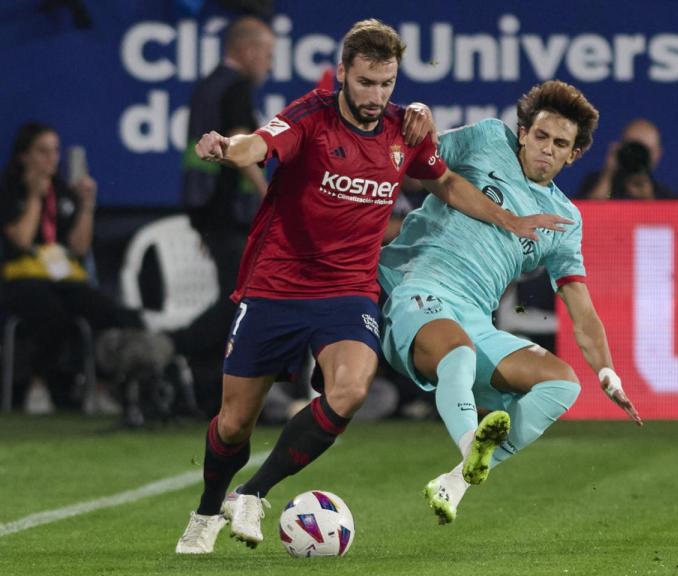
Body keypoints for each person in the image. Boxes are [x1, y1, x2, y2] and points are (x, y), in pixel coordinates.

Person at [175, 19, 568, 554]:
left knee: (351, 388)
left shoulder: (404, 130)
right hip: (277, 284)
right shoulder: (309, 118)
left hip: (349, 291)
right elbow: (259, 144)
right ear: (342, 74)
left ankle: (255, 493)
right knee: (233, 423)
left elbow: (446, 182)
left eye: (386, 84)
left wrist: (509, 220)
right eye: (365, 83)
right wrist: (226, 148)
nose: (375, 95)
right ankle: (204, 512)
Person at [377, 80, 643, 526]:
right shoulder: (486, 138)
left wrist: (607, 372)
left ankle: (456, 481)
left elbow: (582, 309)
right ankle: (469, 446)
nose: (547, 150)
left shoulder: (564, 221)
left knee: (562, 384)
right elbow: (421, 159)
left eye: (561, 144)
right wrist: (419, 111)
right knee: (457, 351)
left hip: (474, 317)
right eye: (541, 136)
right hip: (417, 288)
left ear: (573, 155)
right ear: (523, 132)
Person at [0, 123, 167, 414]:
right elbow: (22, 239)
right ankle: (38, 383)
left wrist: (87, 206)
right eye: (42, 151)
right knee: (52, 314)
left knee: (106, 309)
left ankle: (106, 385)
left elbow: (78, 247)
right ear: (24, 156)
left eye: (54, 151)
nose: (51, 159)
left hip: (63, 277)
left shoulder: (62, 191)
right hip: (21, 278)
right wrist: (34, 196)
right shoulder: (9, 187)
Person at [176, 16, 274, 402]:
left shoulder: (208, 85)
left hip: (209, 210)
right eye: (267, 55)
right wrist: (267, 192)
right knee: (241, 298)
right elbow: (237, 143)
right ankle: (177, 346)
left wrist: (205, 220)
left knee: (236, 296)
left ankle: (204, 385)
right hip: (229, 213)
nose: (268, 64)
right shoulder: (235, 87)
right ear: (248, 50)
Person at [576, 117, 677, 200]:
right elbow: (586, 215)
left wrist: (648, 199)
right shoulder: (596, 183)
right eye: (633, 148)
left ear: (657, 154)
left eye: (643, 151)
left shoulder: (666, 197)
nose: (637, 155)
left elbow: (669, 222)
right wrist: (607, 175)